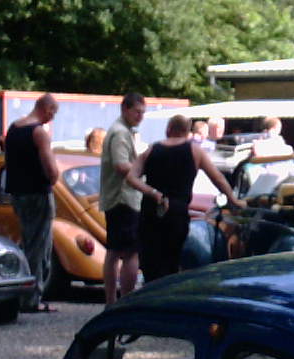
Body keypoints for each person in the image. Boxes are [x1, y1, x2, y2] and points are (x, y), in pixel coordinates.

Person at [134, 114, 241, 282]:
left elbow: (131, 177)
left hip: (150, 211)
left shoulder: (151, 150)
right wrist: (233, 200)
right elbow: (218, 178)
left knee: (150, 262)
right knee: (172, 261)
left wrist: (151, 192)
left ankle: (150, 291)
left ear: (168, 129)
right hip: (177, 213)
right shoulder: (194, 151)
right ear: (187, 131)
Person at [101, 93, 161, 305]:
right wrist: (144, 169)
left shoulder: (123, 131)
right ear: (125, 109)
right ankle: (124, 302)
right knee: (130, 253)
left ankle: (111, 301)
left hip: (118, 198)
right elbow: (121, 165)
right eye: (137, 112)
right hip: (124, 199)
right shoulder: (120, 133)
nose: (140, 116)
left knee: (113, 252)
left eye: (143, 112)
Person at [3, 92, 62, 311]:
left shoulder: (14, 128)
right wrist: (53, 176)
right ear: (47, 109)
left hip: (18, 194)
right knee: (39, 247)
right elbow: (51, 171)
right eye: (53, 113)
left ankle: (23, 292)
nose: (52, 117)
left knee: (27, 242)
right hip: (38, 194)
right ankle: (31, 298)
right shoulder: (39, 132)